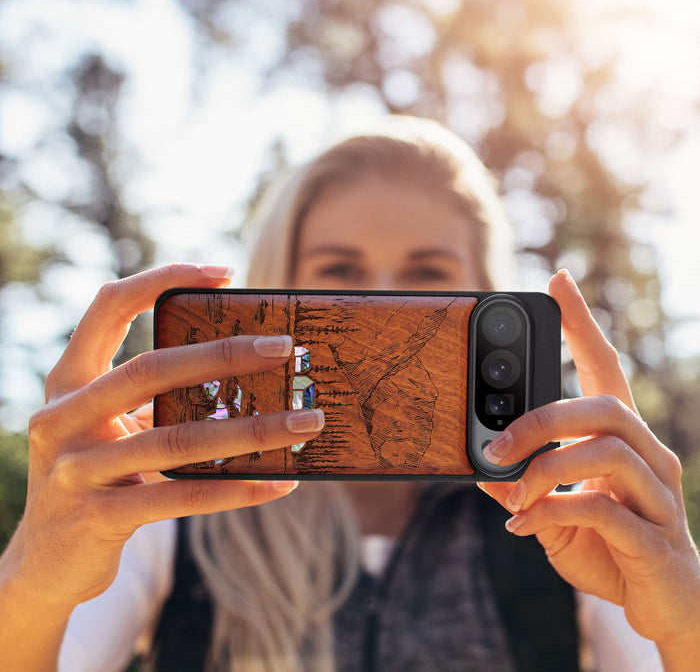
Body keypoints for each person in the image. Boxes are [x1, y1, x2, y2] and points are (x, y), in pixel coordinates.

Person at [0, 117, 698, 672]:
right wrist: (34, 579)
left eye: (428, 274)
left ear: (487, 296)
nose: (385, 299)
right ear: (279, 286)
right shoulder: (171, 508)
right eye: (340, 271)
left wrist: (685, 620)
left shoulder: (567, 516)